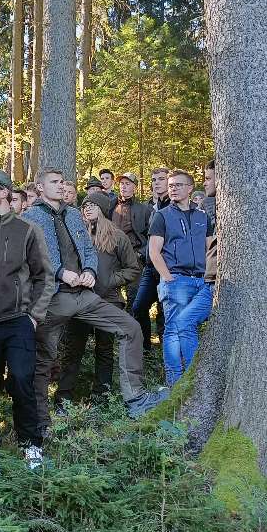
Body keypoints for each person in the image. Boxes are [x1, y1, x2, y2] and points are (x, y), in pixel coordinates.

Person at [23, 170, 166, 431]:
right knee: (44, 358)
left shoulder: (73, 215)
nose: (60, 186)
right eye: (53, 182)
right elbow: (33, 255)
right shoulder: (30, 217)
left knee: (130, 328)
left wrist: (89, 271)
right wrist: (59, 271)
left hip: (84, 296)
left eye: (62, 182)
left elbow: (88, 249)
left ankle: (135, 398)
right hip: (52, 298)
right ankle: (39, 421)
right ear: (40, 188)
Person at [0, 169, 54, 470]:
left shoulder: (28, 230)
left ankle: (31, 446)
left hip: (18, 321)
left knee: (21, 380)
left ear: (4, 192)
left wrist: (33, 317)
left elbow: (45, 277)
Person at [55, 192, 141, 405]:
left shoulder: (117, 236)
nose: (88, 208)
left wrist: (110, 280)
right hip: (79, 299)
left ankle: (102, 395)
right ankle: (64, 397)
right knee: (73, 349)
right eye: (85, 205)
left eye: (94, 204)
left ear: (104, 208)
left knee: (104, 350)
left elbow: (133, 269)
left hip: (109, 300)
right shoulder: (76, 235)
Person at [149, 169, 215, 385]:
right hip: (176, 280)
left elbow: (210, 248)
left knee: (186, 326)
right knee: (173, 330)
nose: (173, 189)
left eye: (178, 185)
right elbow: (153, 252)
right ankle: (177, 383)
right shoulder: (162, 215)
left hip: (202, 281)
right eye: (171, 186)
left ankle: (188, 380)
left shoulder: (202, 216)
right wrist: (168, 278)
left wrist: (210, 277)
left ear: (189, 188)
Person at [129, 167, 170, 349]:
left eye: (161, 179)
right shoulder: (153, 208)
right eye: (154, 180)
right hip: (150, 267)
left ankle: (166, 352)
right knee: (138, 307)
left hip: (169, 267)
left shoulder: (176, 207)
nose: (157, 183)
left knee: (166, 311)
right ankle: (146, 348)